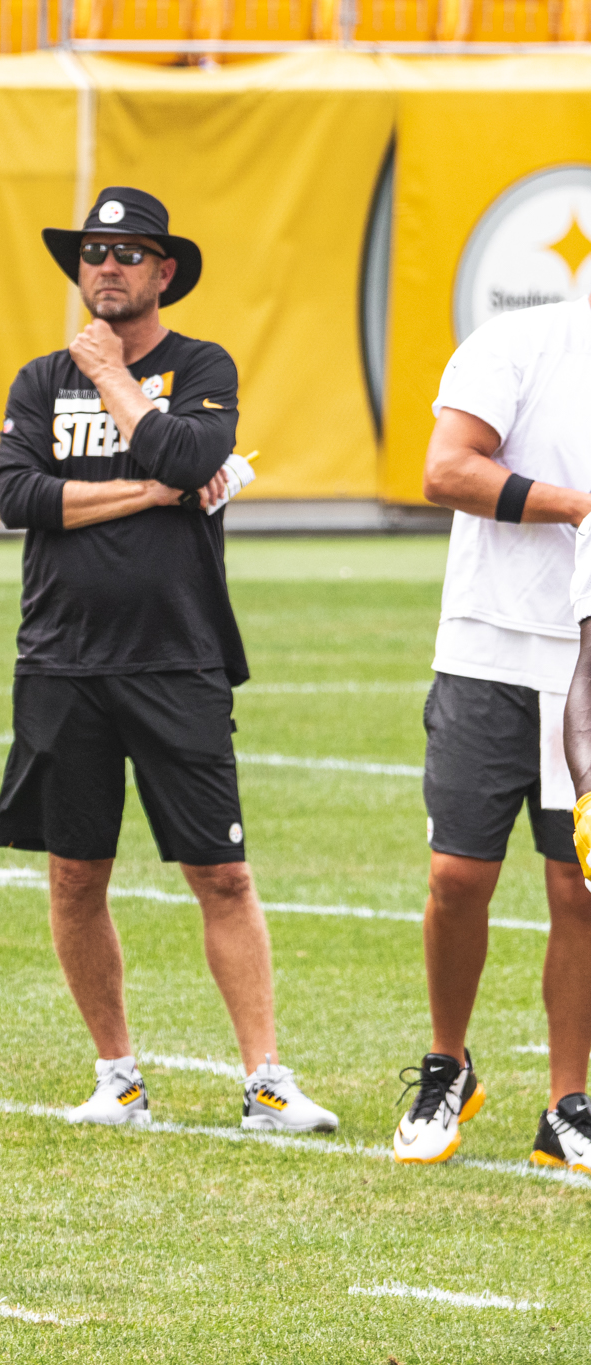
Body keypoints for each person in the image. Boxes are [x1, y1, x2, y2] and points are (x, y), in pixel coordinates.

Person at [0, 186, 339, 1134]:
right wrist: (149, 492)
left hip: (177, 659)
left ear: (164, 271)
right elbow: (18, 497)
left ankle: (266, 1079)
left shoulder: (200, 365)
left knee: (220, 872)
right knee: (75, 874)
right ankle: (117, 1077)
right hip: (62, 660)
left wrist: (113, 381)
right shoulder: (35, 380)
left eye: (129, 251)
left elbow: (195, 453)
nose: (107, 265)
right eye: (94, 251)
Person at [408, 294, 591, 1169]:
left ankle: (566, 1105)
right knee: (458, 874)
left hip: (586, 662)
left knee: (578, 885)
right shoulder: (521, 339)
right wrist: (578, 506)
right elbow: (446, 470)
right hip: (488, 646)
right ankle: (449, 1063)